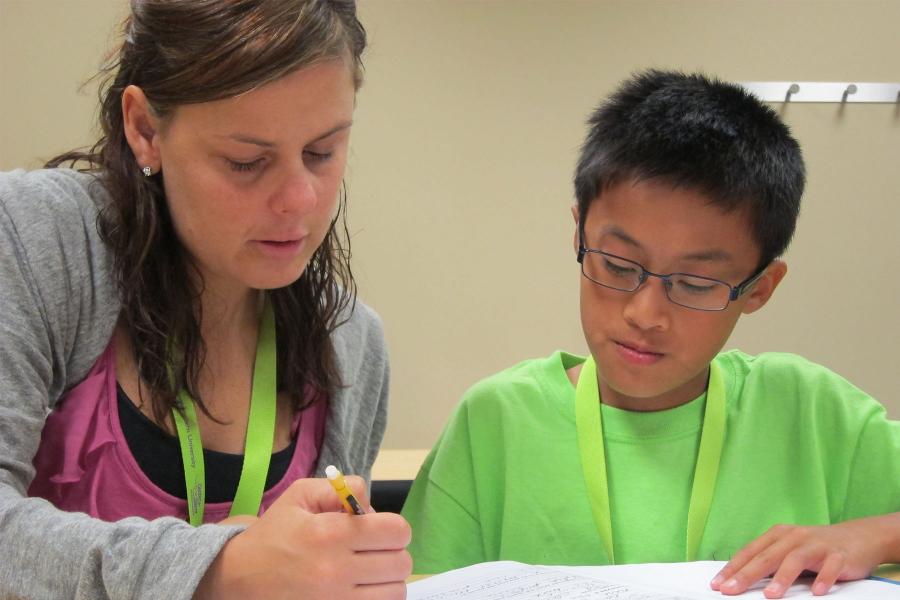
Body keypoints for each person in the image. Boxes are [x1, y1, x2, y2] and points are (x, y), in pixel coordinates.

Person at [401, 70, 900, 597]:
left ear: (759, 288)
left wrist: (877, 534)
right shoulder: (496, 423)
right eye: (617, 265)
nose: (646, 314)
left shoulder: (812, 413)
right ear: (579, 233)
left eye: (695, 282)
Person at [0, 1, 411, 598]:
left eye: (322, 152)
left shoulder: (350, 341)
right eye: (245, 162)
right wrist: (217, 569)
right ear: (144, 129)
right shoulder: (38, 239)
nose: (299, 199)